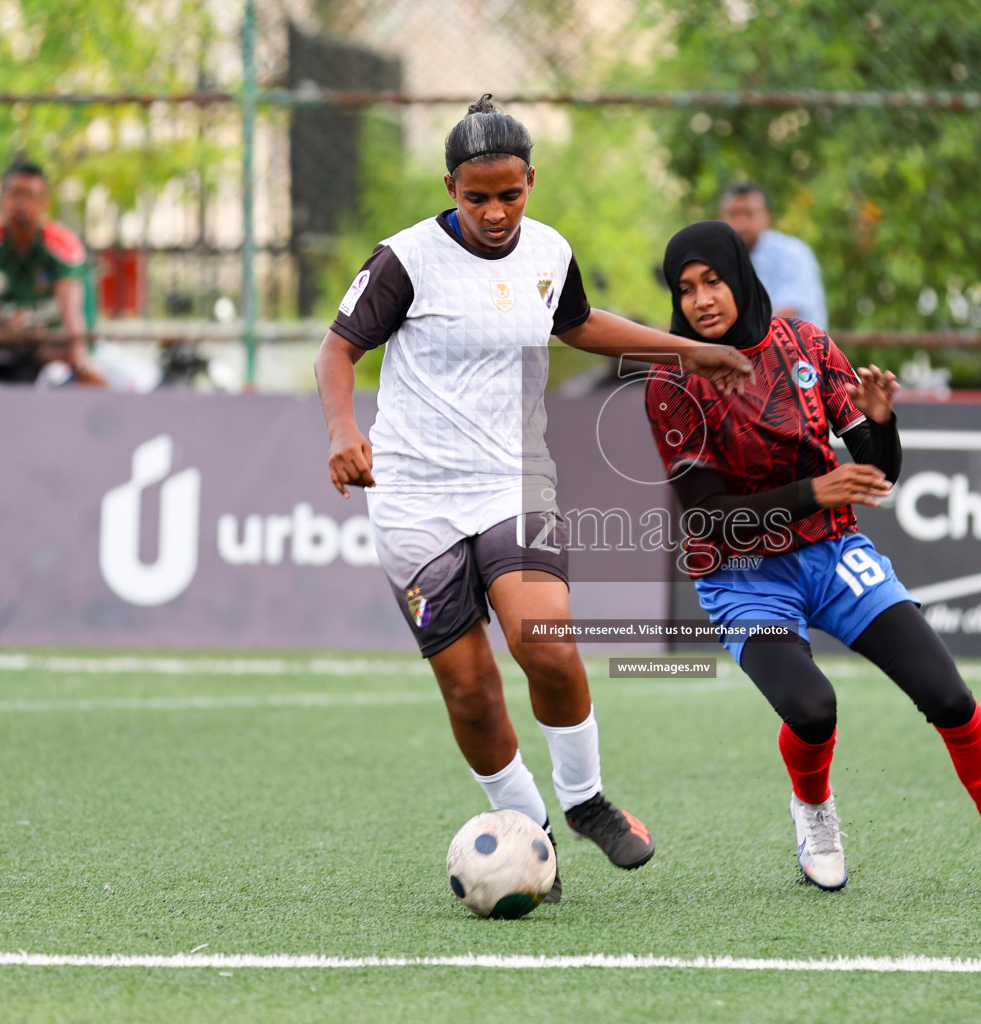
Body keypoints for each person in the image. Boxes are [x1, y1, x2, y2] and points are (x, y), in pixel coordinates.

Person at [313, 95, 753, 901]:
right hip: (413, 496)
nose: (492, 211)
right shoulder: (404, 260)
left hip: (513, 478)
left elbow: (579, 324)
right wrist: (344, 429)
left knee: (544, 641)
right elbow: (338, 349)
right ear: (450, 186)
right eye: (474, 196)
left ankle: (584, 802)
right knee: (472, 691)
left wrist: (687, 350)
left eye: (508, 194)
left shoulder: (548, 250)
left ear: (530, 183)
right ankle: (528, 832)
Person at [644, 220, 981, 897]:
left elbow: (878, 472)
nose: (700, 300)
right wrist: (817, 488)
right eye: (685, 289)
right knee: (813, 708)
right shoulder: (674, 381)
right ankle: (813, 814)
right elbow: (705, 514)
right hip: (741, 571)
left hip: (835, 551)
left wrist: (880, 424)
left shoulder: (805, 344)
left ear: (741, 278)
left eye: (713, 281)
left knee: (949, 696)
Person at [0, 160, 103, 385]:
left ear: (44, 202)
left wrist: (81, 362)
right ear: (2, 198)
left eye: (30, 195)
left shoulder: (62, 246)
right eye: (14, 194)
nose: (21, 203)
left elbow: (72, 314)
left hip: (45, 355)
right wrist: (2, 326)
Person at [719, 183, 829, 330]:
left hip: (795, 350)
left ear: (768, 218)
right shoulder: (721, 258)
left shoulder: (792, 253)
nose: (740, 224)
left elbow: (783, 318)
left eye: (749, 214)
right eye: (732, 215)